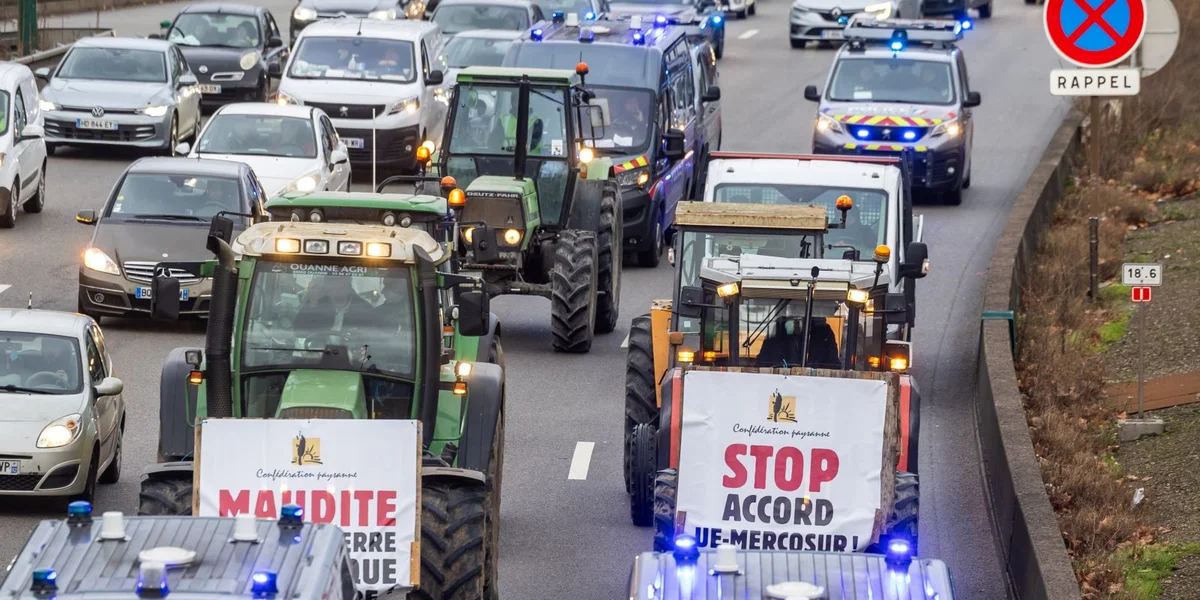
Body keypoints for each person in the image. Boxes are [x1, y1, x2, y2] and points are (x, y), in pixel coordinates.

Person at [294, 276, 377, 342]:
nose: (335, 290)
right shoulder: (318, 304)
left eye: (340, 285)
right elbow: (298, 332)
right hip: (317, 356)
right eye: (331, 286)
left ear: (348, 285)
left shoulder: (364, 310)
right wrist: (312, 305)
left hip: (352, 360)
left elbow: (373, 342)